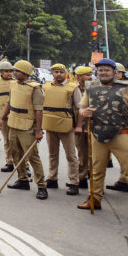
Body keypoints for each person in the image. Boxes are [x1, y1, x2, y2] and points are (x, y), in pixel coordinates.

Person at [78, 58, 128, 224]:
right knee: (96, 170)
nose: (103, 73)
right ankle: (94, 199)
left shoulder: (127, 89)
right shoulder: (91, 87)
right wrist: (84, 112)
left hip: (121, 134)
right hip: (97, 135)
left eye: (107, 70)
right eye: (100, 70)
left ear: (115, 73)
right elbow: (82, 107)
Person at [2, 60, 48, 199]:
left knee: (33, 157)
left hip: (28, 126)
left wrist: (39, 130)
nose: (15, 73)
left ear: (26, 73)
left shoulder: (35, 88)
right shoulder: (13, 85)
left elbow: (39, 111)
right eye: (14, 70)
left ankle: (41, 186)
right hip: (13, 123)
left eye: (18, 71)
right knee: (15, 153)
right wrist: (2, 118)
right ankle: (22, 179)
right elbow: (9, 103)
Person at [42, 64, 79, 192]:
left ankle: (74, 182)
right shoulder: (46, 87)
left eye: (61, 72)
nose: (58, 74)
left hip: (66, 126)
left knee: (71, 155)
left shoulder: (73, 88)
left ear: (65, 73)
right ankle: (52, 178)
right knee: (52, 154)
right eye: (56, 72)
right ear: (52, 73)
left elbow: (79, 109)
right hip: (50, 124)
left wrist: (79, 126)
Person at [68, 66, 93, 195]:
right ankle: (82, 178)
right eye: (87, 75)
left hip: (93, 126)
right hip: (78, 126)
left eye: (90, 74)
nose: (90, 77)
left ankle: (92, 180)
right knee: (81, 153)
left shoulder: (95, 88)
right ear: (79, 77)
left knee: (92, 154)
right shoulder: (73, 88)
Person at [0, 61, 17, 173]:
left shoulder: (17, 82)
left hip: (16, 114)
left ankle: (23, 164)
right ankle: (9, 162)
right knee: (7, 139)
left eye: (11, 71)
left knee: (17, 140)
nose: (9, 73)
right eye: (6, 71)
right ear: (1, 72)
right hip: (1, 113)